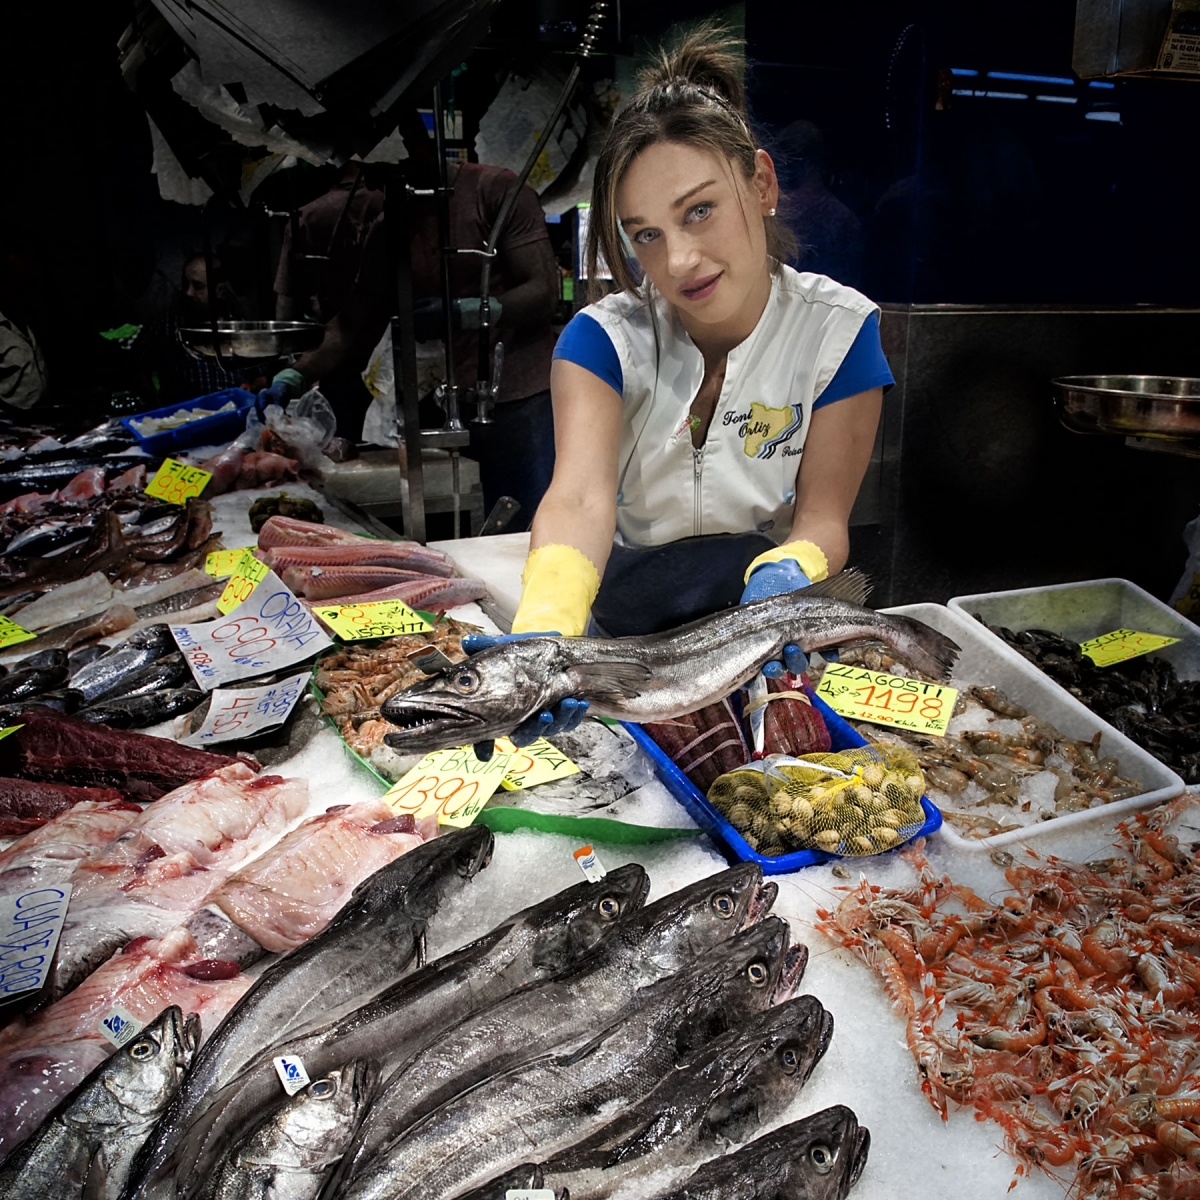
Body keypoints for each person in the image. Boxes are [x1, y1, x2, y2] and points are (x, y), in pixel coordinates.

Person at [468, 25, 894, 752]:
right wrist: (546, 628)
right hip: (620, 630)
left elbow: (824, 517)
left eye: (699, 210)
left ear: (760, 183)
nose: (680, 259)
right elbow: (578, 499)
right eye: (646, 235)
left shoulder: (839, 333)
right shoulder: (603, 340)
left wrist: (788, 575)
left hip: (752, 623)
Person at [260, 117, 560, 524]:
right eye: (376, 177)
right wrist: (293, 376)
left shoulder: (496, 191)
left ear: (418, 146)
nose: (382, 187)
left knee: (526, 525)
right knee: (458, 525)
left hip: (517, 401)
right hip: (440, 403)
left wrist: (467, 311)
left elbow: (544, 291)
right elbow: (351, 325)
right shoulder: (392, 224)